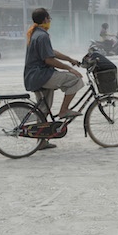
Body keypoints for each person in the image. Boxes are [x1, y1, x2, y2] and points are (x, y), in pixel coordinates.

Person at [24, 8, 84, 148]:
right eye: (49, 18)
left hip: (34, 76)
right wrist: (69, 68)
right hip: (41, 75)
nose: (50, 21)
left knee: (43, 109)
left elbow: (51, 52)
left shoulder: (36, 33)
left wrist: (69, 59)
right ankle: (64, 110)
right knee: (74, 79)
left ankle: (42, 142)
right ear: (45, 19)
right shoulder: (42, 36)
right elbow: (49, 60)